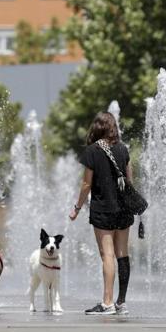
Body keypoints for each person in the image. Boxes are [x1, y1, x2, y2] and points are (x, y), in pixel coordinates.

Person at [69, 112, 133, 315]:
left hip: (103, 209)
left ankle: (107, 303)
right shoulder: (123, 149)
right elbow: (129, 181)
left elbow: (86, 184)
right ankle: (121, 303)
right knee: (122, 255)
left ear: (96, 127)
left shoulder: (92, 151)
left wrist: (77, 207)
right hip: (123, 209)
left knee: (107, 255)